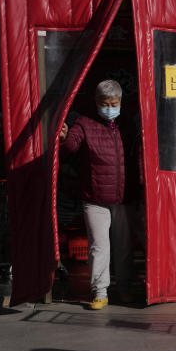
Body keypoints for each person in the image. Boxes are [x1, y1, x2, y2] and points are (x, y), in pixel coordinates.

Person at [59, 79, 138, 310]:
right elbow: (71, 147)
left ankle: (124, 288)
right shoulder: (84, 124)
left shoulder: (129, 124)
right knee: (99, 246)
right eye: (105, 103)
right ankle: (99, 291)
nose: (110, 108)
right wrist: (64, 138)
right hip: (94, 198)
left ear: (121, 102)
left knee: (124, 246)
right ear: (96, 102)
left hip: (124, 197)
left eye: (114, 103)